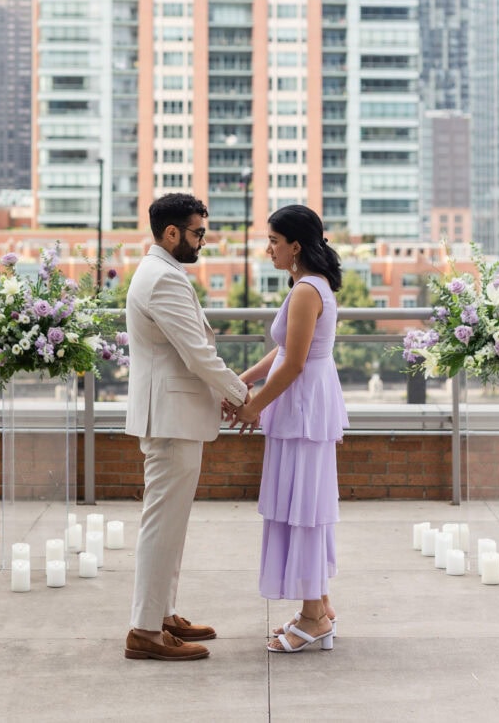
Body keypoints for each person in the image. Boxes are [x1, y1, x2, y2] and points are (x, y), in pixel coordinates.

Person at [124, 193, 248, 661]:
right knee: (161, 526)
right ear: (171, 233)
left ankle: (163, 613)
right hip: (170, 419)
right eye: (197, 233)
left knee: (169, 524)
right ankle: (145, 631)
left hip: (171, 415)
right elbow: (199, 353)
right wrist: (241, 395)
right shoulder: (163, 279)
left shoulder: (160, 272)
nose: (203, 242)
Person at [226, 204, 349, 653]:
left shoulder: (305, 291)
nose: (268, 248)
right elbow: (283, 353)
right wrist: (244, 382)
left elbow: (294, 363)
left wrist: (252, 407)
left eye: (274, 241)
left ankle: (315, 618)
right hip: (303, 409)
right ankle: (320, 606)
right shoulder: (309, 286)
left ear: (296, 246)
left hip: (301, 411)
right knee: (305, 504)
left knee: (304, 507)